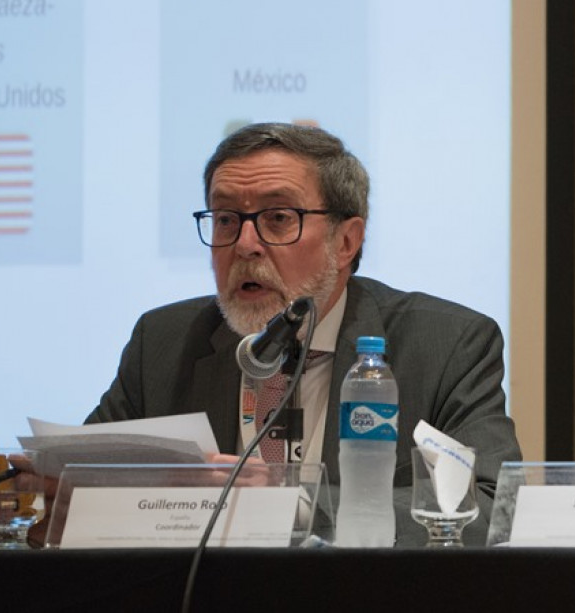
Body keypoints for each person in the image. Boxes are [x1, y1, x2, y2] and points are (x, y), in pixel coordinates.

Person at [84, 122, 521, 546]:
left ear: (346, 242)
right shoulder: (163, 342)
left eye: (277, 218)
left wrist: (297, 507)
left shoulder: (447, 345)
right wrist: (49, 490)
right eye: (225, 219)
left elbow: (493, 508)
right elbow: (83, 477)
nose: (244, 244)